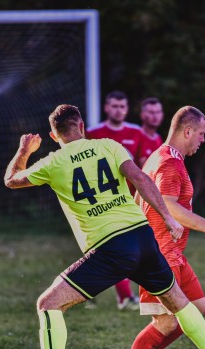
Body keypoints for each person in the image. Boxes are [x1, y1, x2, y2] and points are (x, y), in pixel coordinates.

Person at [5, 104, 205, 349]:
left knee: (48, 304)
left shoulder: (53, 162)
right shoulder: (108, 145)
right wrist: (168, 218)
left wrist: (24, 151)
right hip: (144, 237)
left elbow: (11, 180)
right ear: (82, 127)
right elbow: (141, 180)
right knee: (180, 303)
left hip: (111, 247)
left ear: (54, 136)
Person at [115, 106, 205, 349]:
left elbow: (144, 201)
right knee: (166, 321)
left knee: (199, 308)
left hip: (172, 251)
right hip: (159, 253)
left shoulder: (161, 156)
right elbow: (168, 206)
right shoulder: (169, 163)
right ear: (188, 131)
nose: (203, 139)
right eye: (201, 134)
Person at [86, 90, 145, 311]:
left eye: (122, 106)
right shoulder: (92, 133)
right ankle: (124, 297)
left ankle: (88, 289)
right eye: (114, 106)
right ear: (106, 108)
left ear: (127, 109)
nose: (118, 110)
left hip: (130, 200)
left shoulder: (136, 133)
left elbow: (142, 167)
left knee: (117, 249)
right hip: (103, 201)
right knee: (117, 248)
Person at [138, 97, 164, 166]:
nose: (155, 116)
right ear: (142, 114)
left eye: (158, 112)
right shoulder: (136, 136)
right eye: (151, 112)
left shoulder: (158, 138)